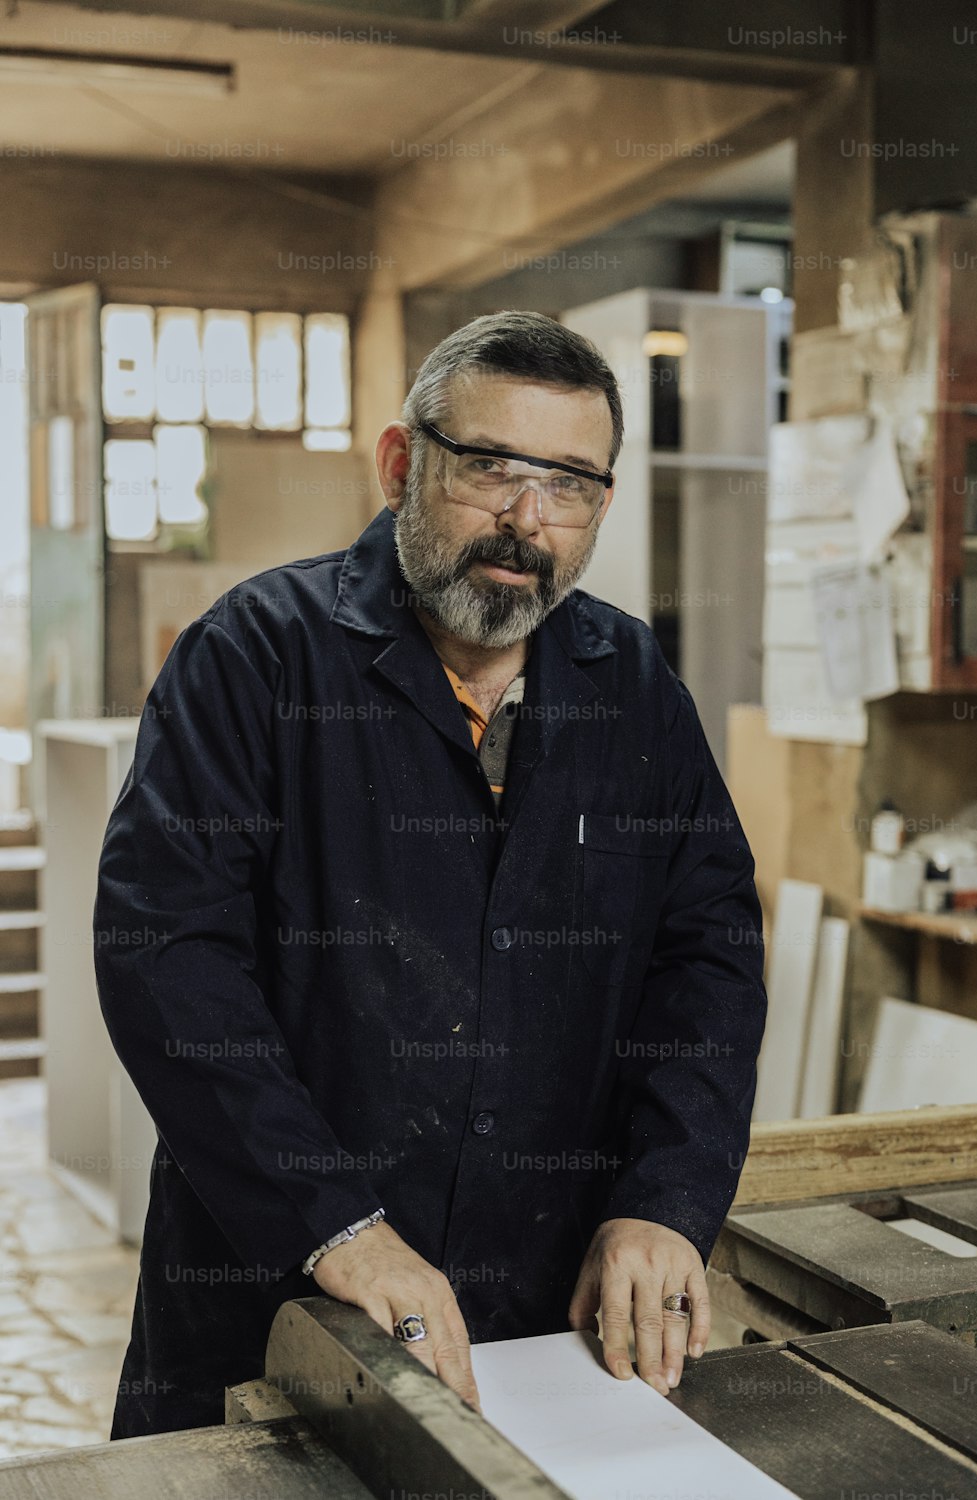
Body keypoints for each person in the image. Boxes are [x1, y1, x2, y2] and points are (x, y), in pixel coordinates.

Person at [94, 310, 767, 1439]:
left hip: (542, 1312)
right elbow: (166, 955)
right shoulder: (257, 655)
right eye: (488, 467)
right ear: (401, 463)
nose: (524, 518)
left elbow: (706, 954)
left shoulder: (633, 683)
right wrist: (336, 1224)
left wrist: (664, 1202)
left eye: (568, 484)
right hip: (276, 1287)